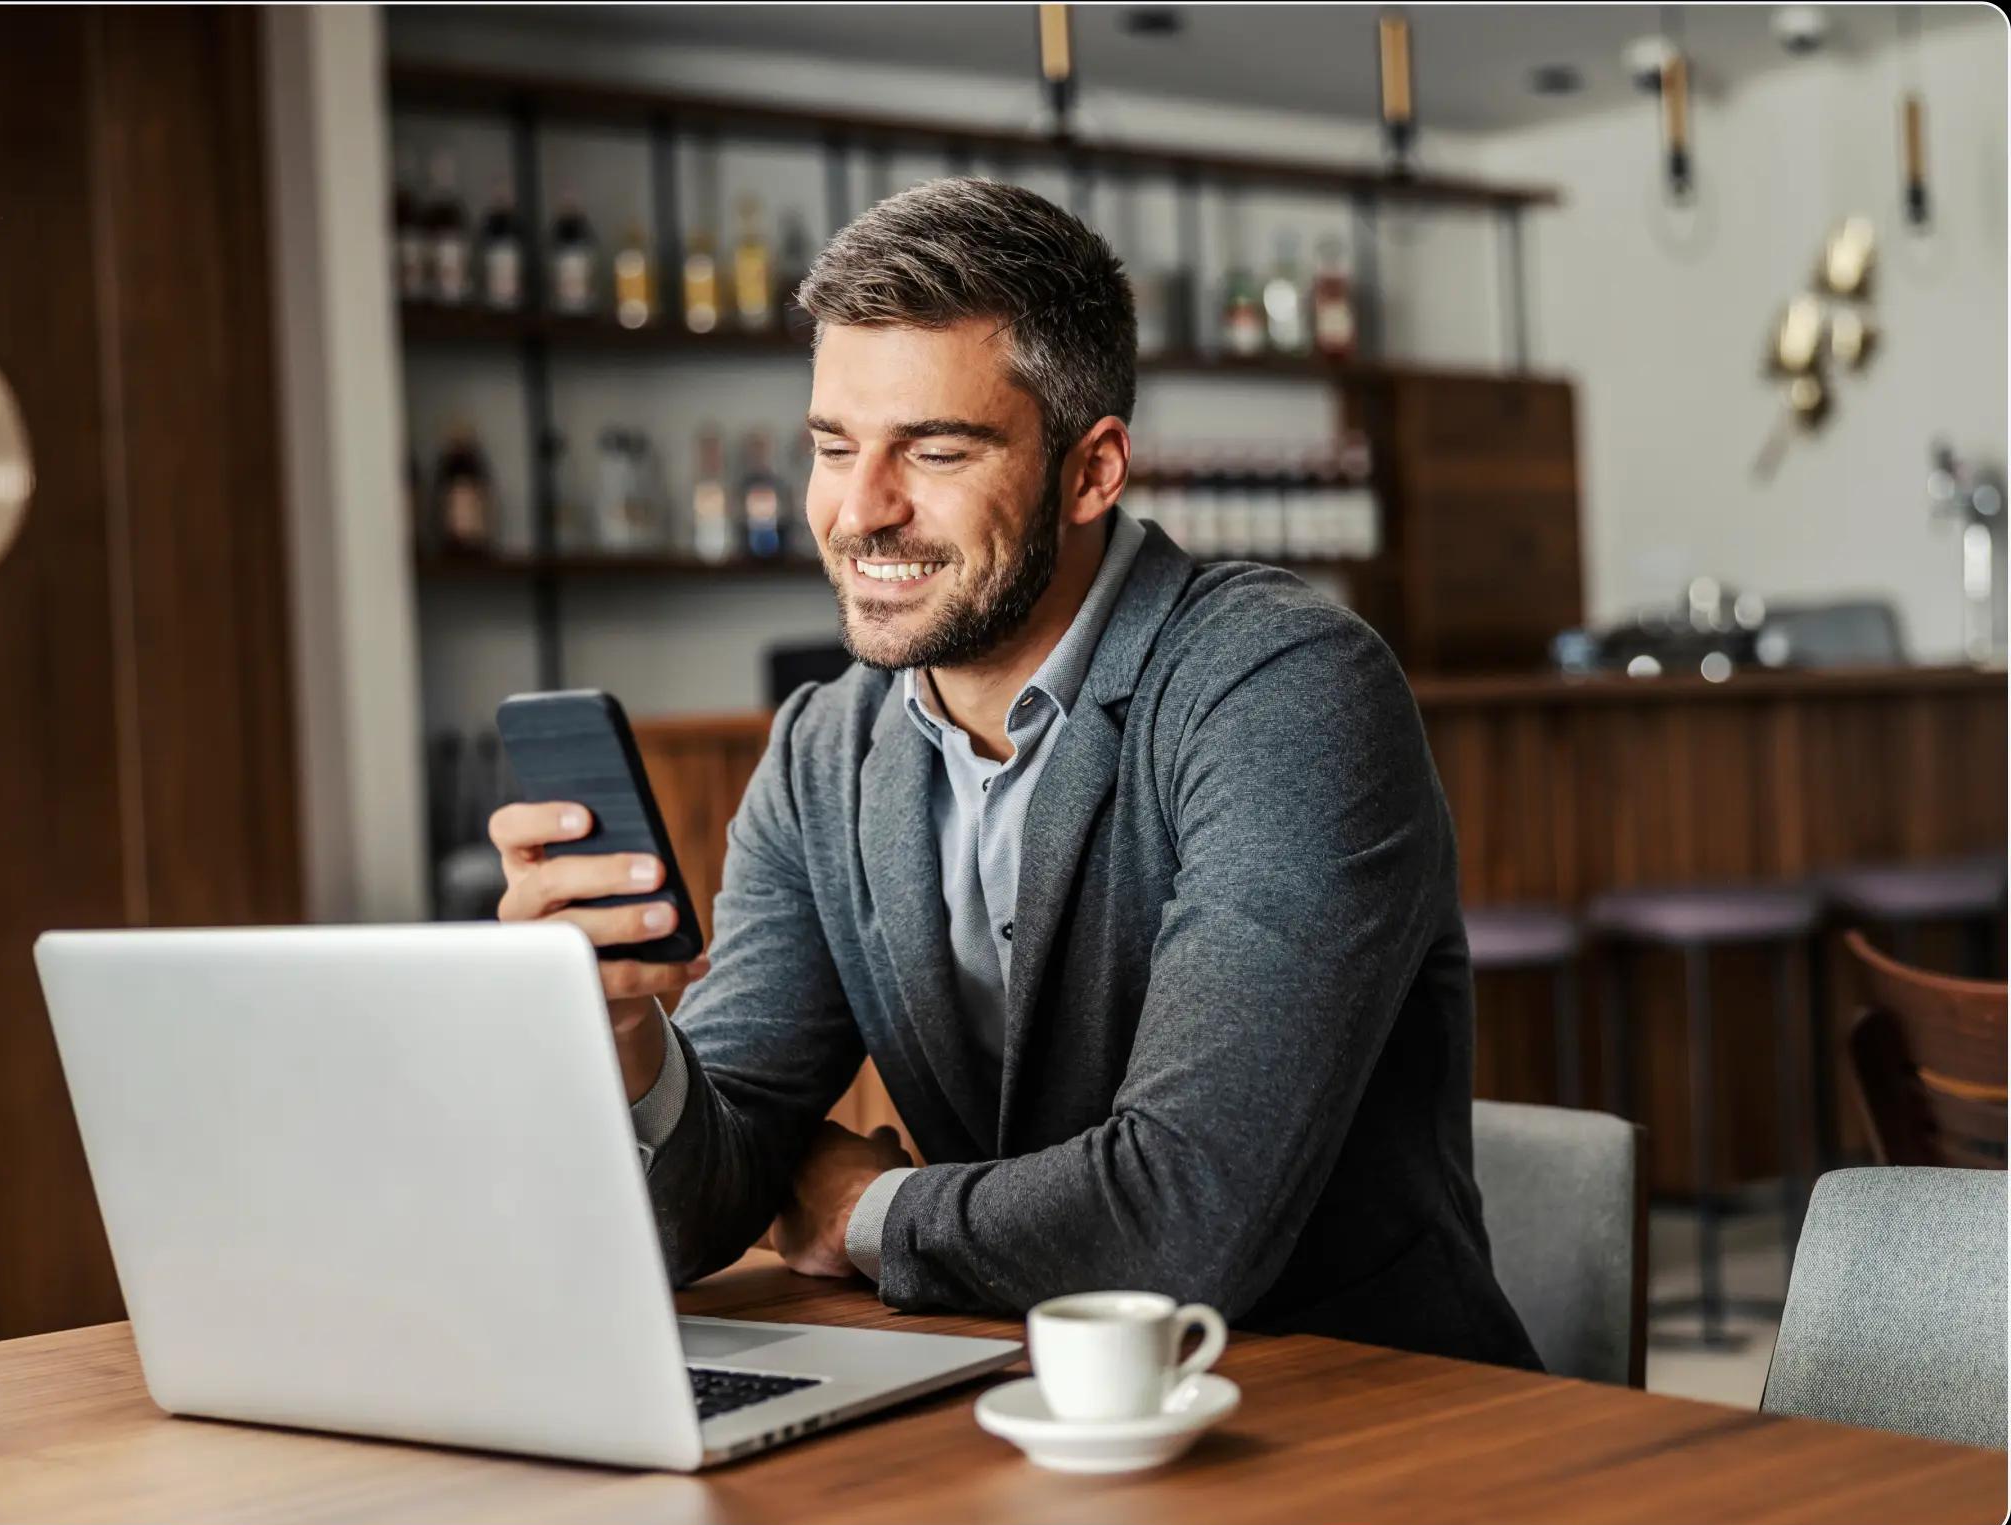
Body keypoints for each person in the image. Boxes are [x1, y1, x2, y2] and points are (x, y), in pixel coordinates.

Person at [492, 177, 1540, 1370]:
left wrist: (864, 1209)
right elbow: (710, 1184)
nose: (860, 511)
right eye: (835, 447)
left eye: (933, 450)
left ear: (1092, 472)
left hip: (1367, 1416)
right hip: (1016, 1402)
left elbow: (1184, 1219)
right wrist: (625, 1027)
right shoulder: (822, 749)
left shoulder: (1285, 687)